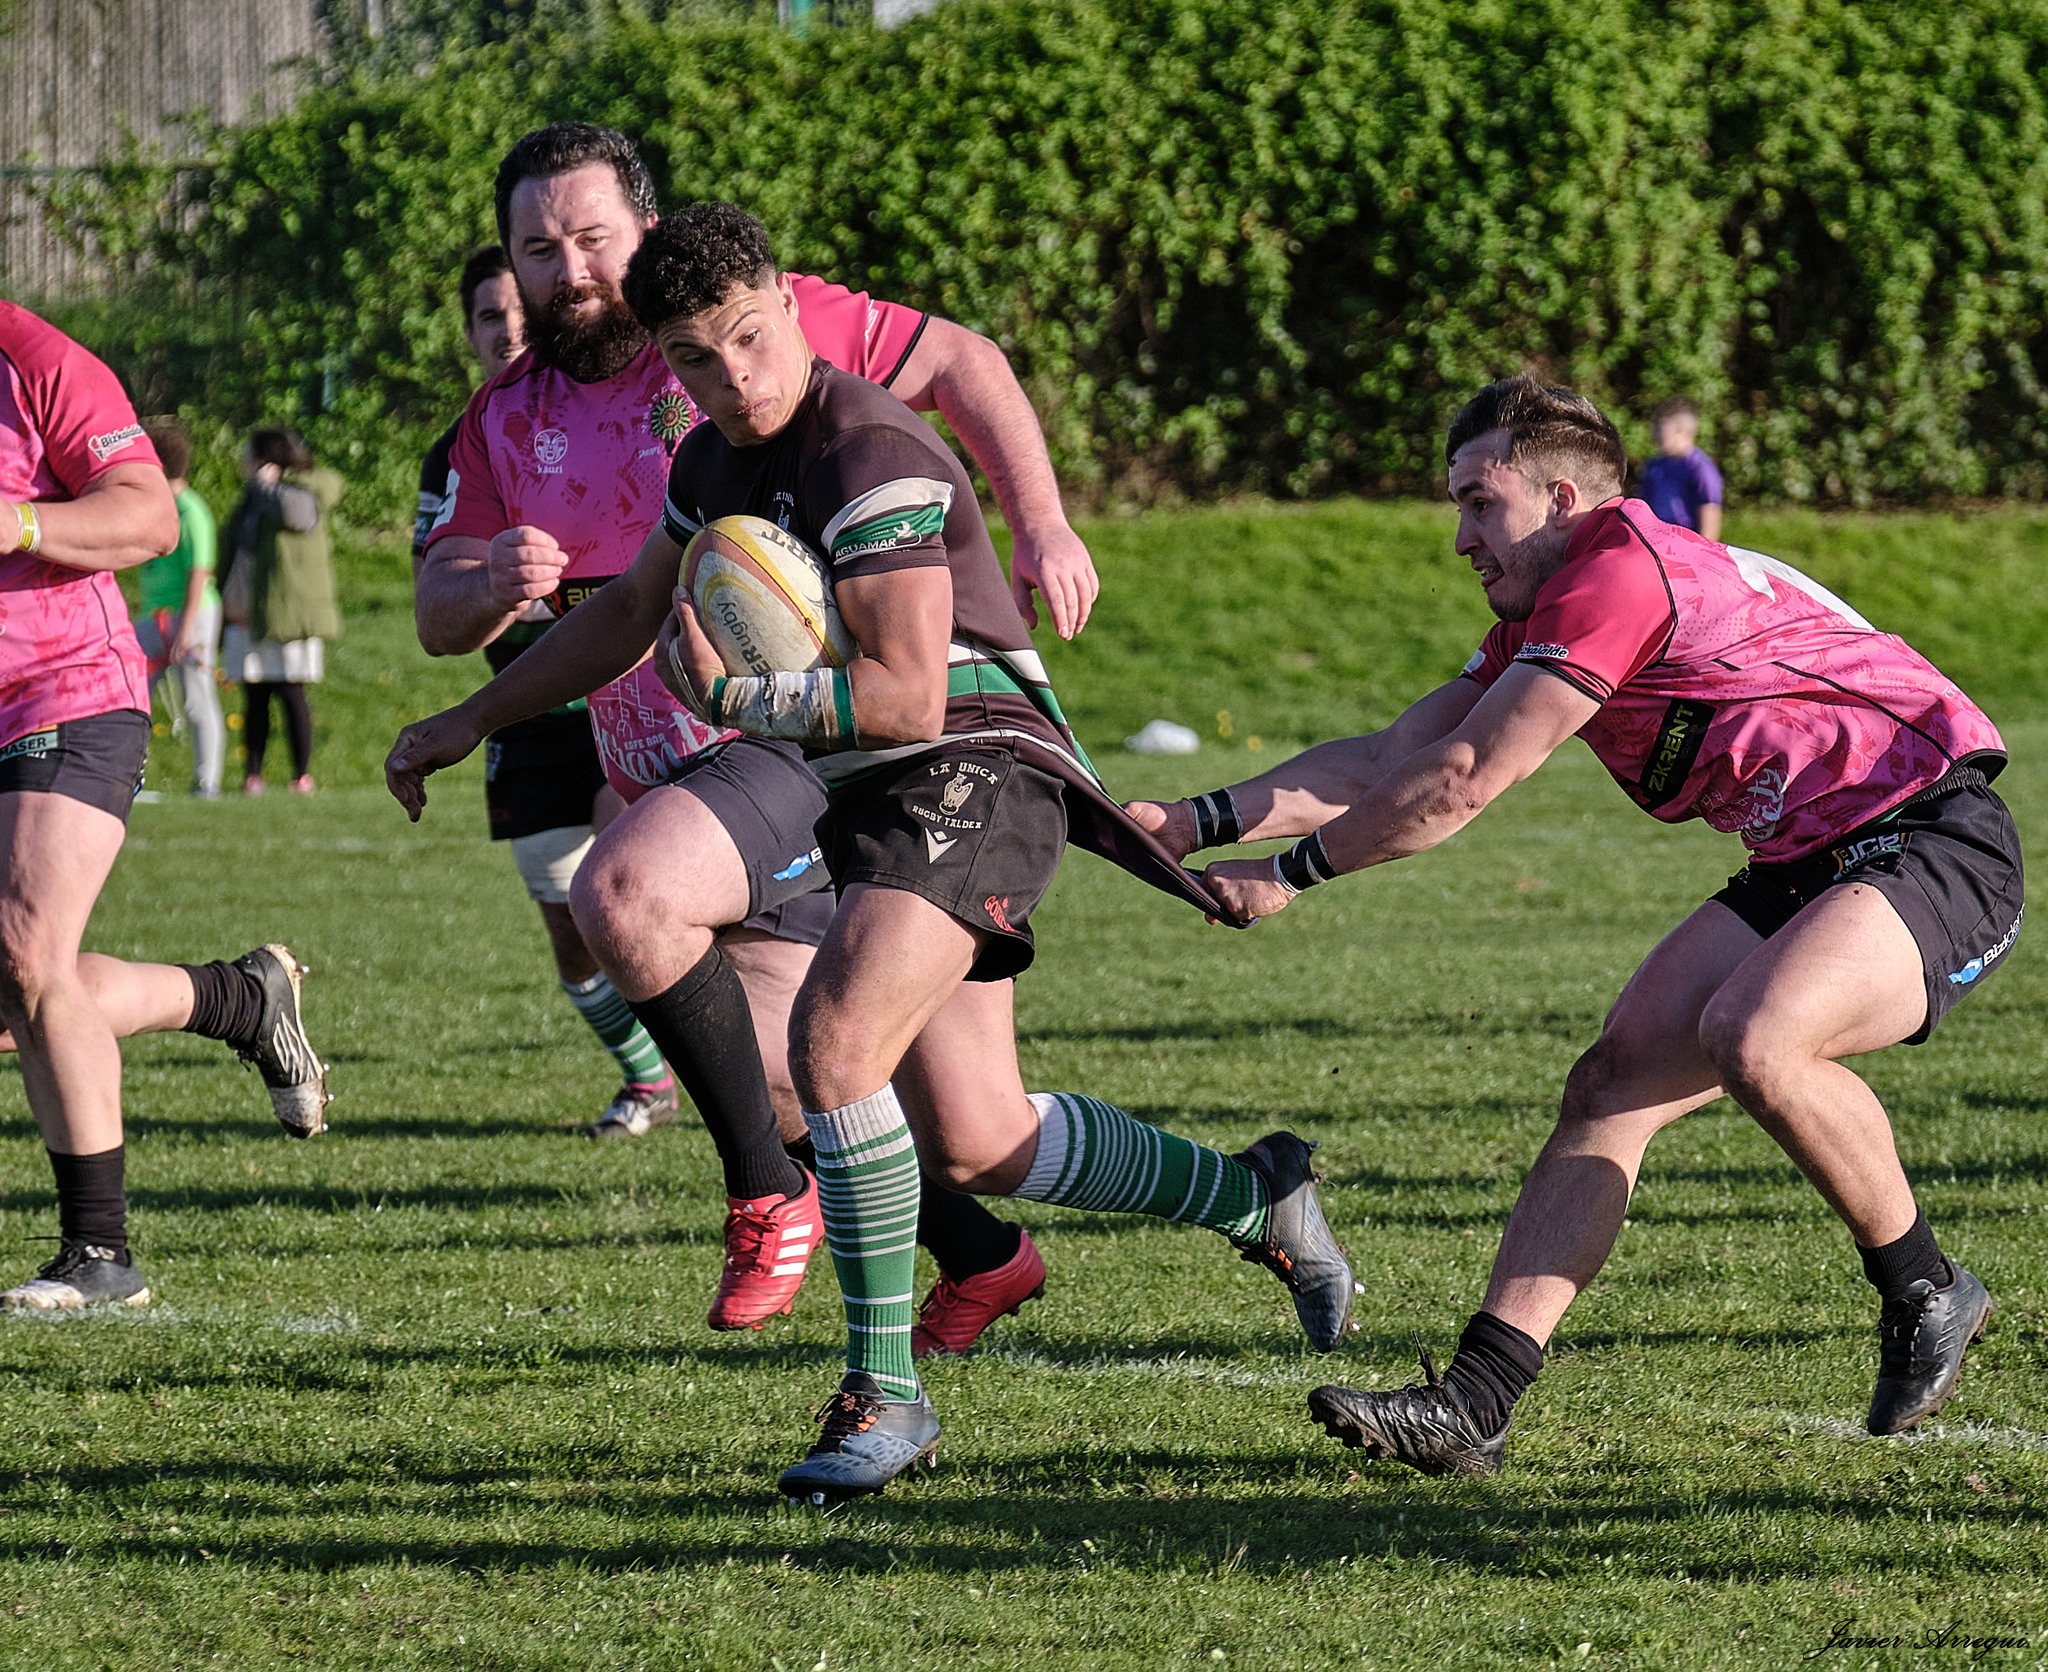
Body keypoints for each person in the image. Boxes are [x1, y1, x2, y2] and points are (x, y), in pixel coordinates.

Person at [392, 202, 1356, 1503]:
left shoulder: (871, 455)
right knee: (978, 1137)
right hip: (862, 786)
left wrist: (738, 702)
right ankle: (1257, 1198)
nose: (734, 375)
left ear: (793, 303)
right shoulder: (711, 466)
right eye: (695, 357)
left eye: (747, 337)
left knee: (832, 1051)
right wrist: (466, 718)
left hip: (974, 766)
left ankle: (882, 1397)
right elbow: (626, 611)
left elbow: (906, 698)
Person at [1139, 375, 2019, 1475]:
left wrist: (1288, 873)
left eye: (1477, 501)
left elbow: (1459, 781)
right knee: (1609, 1085)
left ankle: (1926, 1288)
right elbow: (1385, 760)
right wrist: (1189, 815)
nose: (1458, 534)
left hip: (1933, 836)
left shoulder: (1617, 572)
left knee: (1754, 1034)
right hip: (1805, 857)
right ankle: (1475, 1406)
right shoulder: (1553, 606)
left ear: (1559, 496)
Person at [404, 125, 1090, 1343]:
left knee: (624, 895)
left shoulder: (747, 322)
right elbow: (450, 611)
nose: (568, 269)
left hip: (793, 746)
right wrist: (475, 650)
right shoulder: (504, 420)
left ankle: (784, 1226)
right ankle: (1021, 1249)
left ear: (647, 231)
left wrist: (1041, 523)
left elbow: (964, 362)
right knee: (846, 1094)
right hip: (667, 774)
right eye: (537, 248)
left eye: (591, 237)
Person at [0, 301, 331, 1311]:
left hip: (64, 690)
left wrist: (17, 520)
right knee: (25, 998)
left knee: (27, 954)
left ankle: (101, 1256)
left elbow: (144, 514)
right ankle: (238, 998)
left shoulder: (32, 355)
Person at [415, 245, 678, 1140]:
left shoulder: (646, 408)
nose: (508, 330)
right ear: (471, 333)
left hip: (640, 699)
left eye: (518, 314)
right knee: (571, 931)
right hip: (527, 711)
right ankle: (648, 1078)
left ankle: (731, 1057)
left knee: (630, 880)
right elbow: (442, 622)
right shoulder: (463, 450)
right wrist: (494, 584)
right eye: (490, 317)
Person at [221, 428, 342, 795]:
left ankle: (300, 775)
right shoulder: (254, 495)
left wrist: (267, 487)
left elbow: (296, 516)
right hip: (251, 612)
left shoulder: (298, 490)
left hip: (288, 614)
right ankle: (252, 775)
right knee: (254, 696)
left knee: (291, 693)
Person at [132, 417, 225, 798]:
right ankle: (124, 776)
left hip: (192, 615)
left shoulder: (191, 512)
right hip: (154, 617)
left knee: (197, 698)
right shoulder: (158, 508)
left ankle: (208, 781)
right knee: (131, 696)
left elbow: (198, 573)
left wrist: (185, 630)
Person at [1635, 396, 1723, 540]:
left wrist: (1703, 555)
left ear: (1679, 429)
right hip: (1655, 544)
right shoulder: (1653, 466)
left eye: (1659, 425)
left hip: (1685, 546)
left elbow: (1710, 512)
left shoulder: (1700, 468)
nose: (1654, 431)